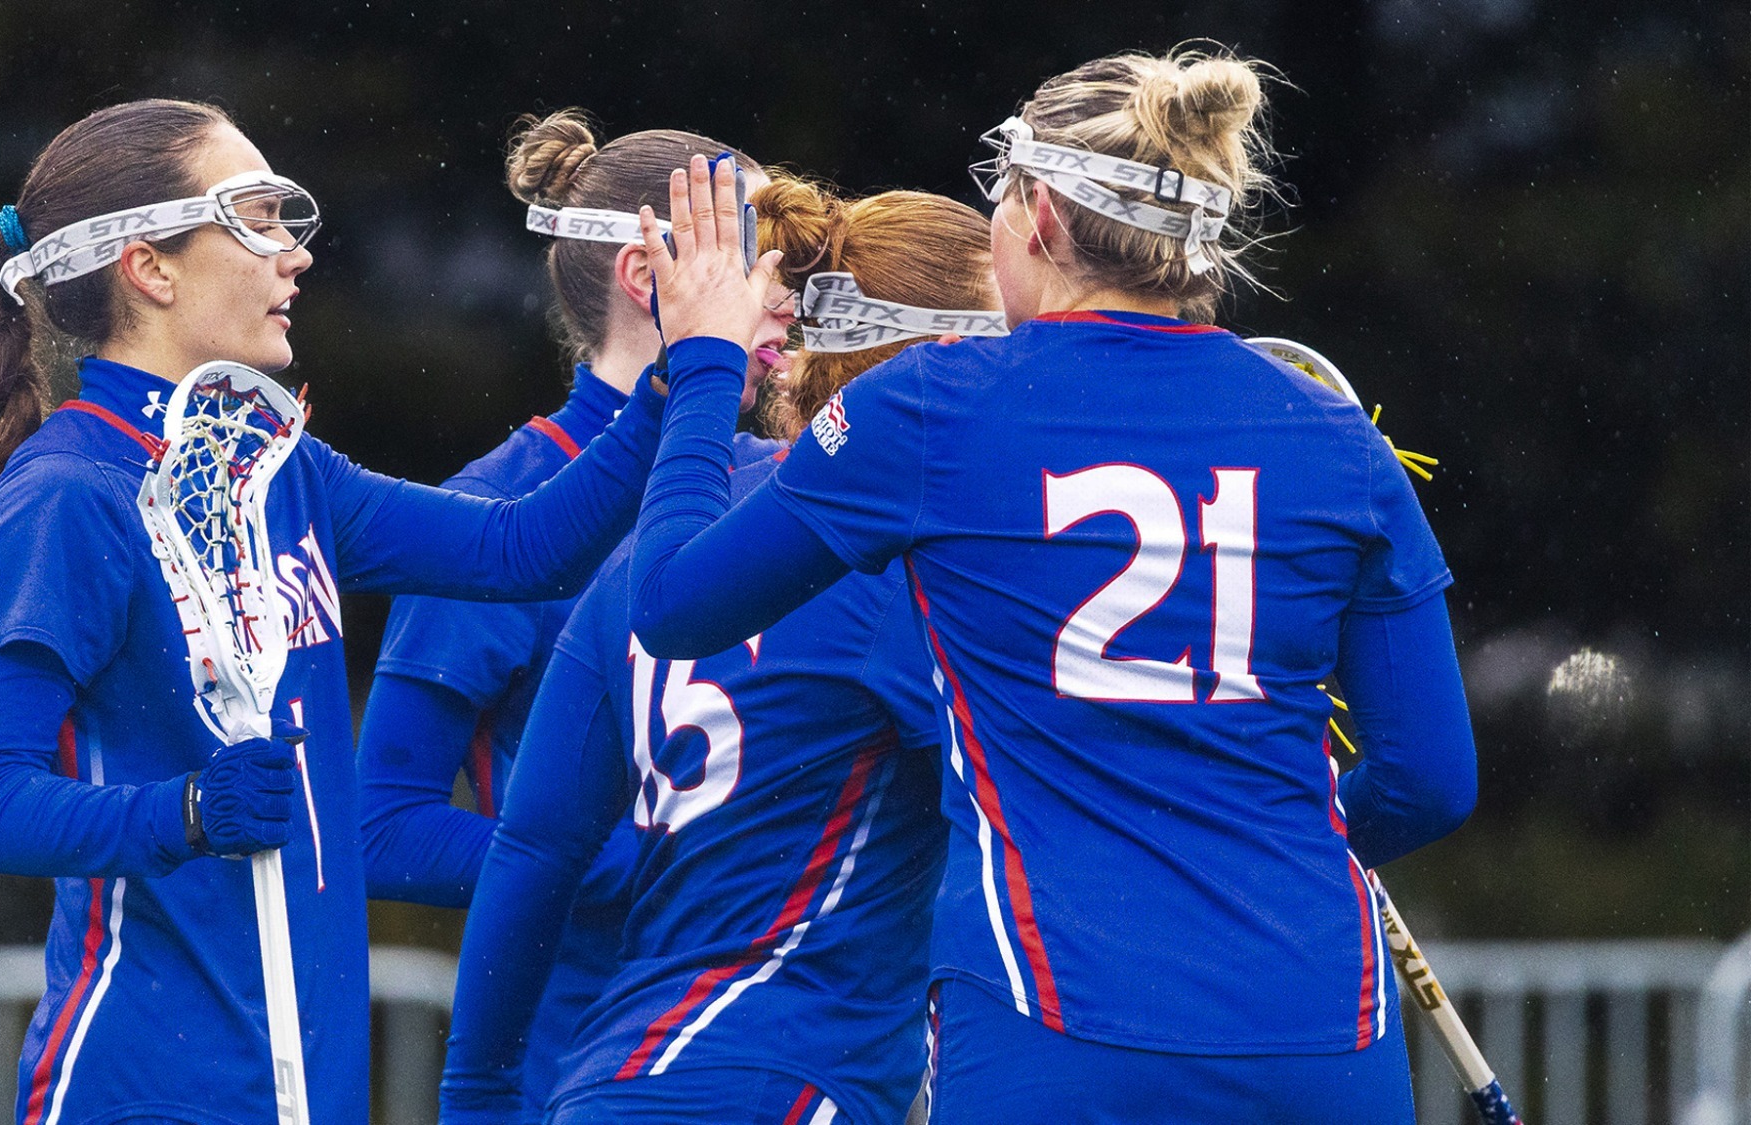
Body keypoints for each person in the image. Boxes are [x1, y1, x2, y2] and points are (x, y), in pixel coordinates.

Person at [623, 48, 1479, 1124]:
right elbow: (1429, 780)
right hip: (1319, 1027)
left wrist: (704, 358)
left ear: (1037, 215)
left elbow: (673, 603)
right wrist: (1269, 852)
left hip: (1053, 1020)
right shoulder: (1335, 437)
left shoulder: (928, 406)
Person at [0, 98, 675, 1125]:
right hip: (146, 1088)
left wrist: (680, 371)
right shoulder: (64, 494)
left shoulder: (279, 467)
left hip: (307, 1086)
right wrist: (182, 813)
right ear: (149, 268)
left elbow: (527, 548)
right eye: (256, 218)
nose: (295, 253)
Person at [440, 180, 1005, 1125]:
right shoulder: (910, 574)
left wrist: (477, 1095)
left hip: (607, 1084)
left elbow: (533, 852)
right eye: (1017, 343)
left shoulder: (659, 542)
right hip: (778, 1082)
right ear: (949, 354)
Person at [357, 109, 794, 1106]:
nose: (785, 300)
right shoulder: (494, 513)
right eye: (756, 258)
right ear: (647, 277)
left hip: (758, 1053)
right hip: (570, 1062)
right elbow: (380, 825)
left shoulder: (783, 488)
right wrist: (637, 866)